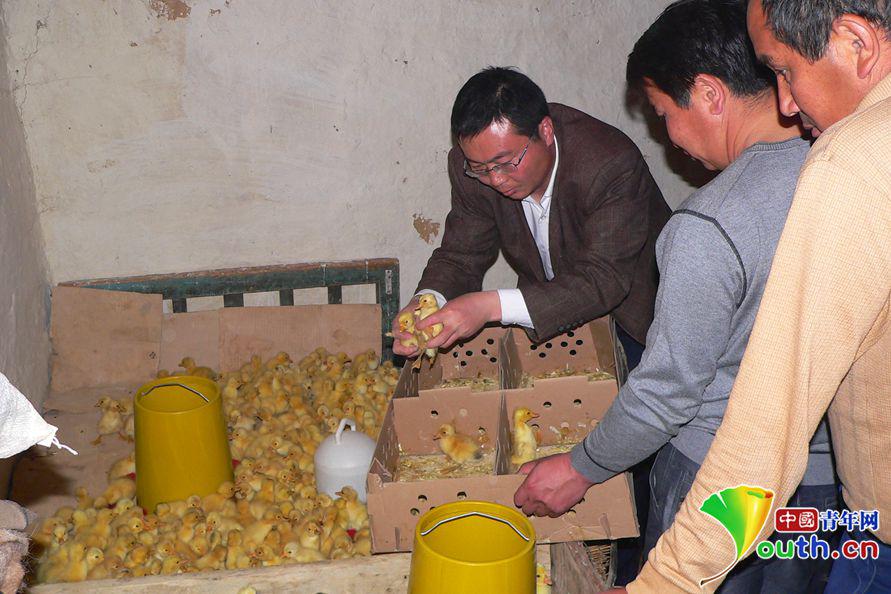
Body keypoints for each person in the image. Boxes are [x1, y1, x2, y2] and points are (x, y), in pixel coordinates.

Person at [514, 2, 840, 591]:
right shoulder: (844, 172)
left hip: (718, 487)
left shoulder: (708, 225)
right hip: (822, 486)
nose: (669, 137)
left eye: (664, 114)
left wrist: (578, 468)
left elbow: (665, 393)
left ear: (710, 94)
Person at [621, 0, 891, 592]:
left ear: (857, 42)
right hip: (830, 499)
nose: (786, 102)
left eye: (785, 70)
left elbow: (732, 420)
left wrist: (663, 579)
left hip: (728, 492)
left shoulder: (841, 168)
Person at [394, 67, 671, 583]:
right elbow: (462, 250)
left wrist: (486, 307)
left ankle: (635, 569)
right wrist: (427, 302)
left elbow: (604, 280)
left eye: (506, 163)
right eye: (481, 169)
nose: (496, 180)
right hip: (552, 310)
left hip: (635, 316)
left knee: (639, 457)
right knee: (568, 428)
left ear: (545, 131)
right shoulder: (474, 164)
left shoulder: (609, 162)